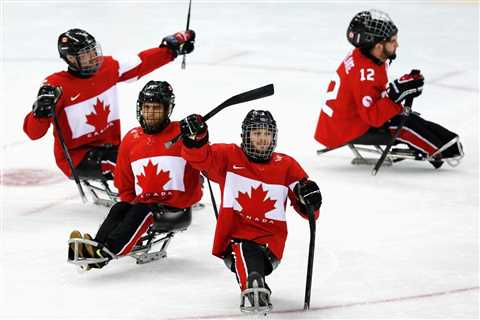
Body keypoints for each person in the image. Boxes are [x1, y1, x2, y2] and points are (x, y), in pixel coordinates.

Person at [179, 110, 322, 313]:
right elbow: (199, 158)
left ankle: (255, 283)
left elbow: (309, 211)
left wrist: (311, 200)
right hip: (233, 239)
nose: (263, 139)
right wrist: (197, 137)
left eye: (267, 134)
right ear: (245, 136)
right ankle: (254, 284)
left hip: (270, 245)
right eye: (256, 133)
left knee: (247, 251)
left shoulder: (287, 165)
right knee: (242, 248)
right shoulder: (228, 156)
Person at [23, 28, 196, 180]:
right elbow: (33, 133)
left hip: (112, 147)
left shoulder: (107, 68)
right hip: (78, 157)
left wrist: (171, 50)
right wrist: (39, 114)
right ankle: (150, 198)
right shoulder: (55, 86)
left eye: (93, 51)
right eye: (85, 54)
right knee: (130, 163)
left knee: (156, 149)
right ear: (70, 58)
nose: (93, 58)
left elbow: (140, 63)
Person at [68, 80, 203, 270]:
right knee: (120, 208)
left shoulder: (181, 134)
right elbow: (125, 183)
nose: (150, 113)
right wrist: (128, 205)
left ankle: (106, 254)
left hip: (176, 207)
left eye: (156, 108)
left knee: (141, 210)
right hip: (146, 203)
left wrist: (199, 135)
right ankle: (96, 247)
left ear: (168, 109)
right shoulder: (132, 139)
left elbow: (203, 155)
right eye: (146, 107)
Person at [314, 9, 463, 168]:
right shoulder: (365, 73)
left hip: (343, 121)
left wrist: (399, 89)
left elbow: (372, 97)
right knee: (404, 123)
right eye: (392, 41)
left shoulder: (366, 55)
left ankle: (446, 142)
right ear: (378, 46)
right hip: (346, 129)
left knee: (406, 116)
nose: (397, 44)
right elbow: (373, 117)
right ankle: (440, 151)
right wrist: (394, 94)